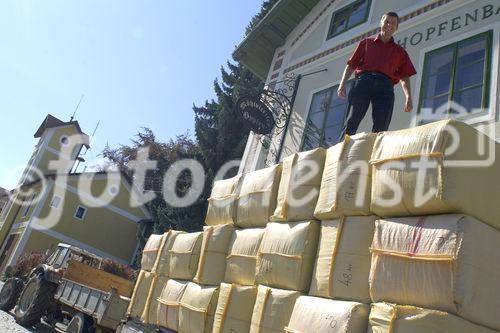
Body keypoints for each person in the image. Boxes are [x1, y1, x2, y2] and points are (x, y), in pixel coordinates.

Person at [337, 12, 416, 138]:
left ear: (396, 28)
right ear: (381, 23)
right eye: (387, 22)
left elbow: (404, 76)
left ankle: (374, 153)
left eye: (393, 23)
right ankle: (342, 151)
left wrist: (408, 97)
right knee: (353, 117)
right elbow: (351, 64)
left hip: (385, 86)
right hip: (363, 82)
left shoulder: (400, 52)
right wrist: (342, 84)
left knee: (382, 124)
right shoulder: (366, 43)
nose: (389, 25)